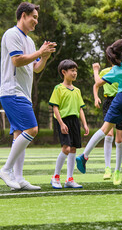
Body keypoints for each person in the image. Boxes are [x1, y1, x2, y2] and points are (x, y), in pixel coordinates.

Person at [76, 6, 122, 185]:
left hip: (120, 98)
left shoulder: (116, 69)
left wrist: (96, 71)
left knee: (104, 129)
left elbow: (97, 83)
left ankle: (84, 156)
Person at [0, 2, 57, 190]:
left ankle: (19, 178)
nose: (36, 21)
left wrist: (44, 56)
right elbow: (16, 61)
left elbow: (36, 68)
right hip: (12, 91)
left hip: (23, 93)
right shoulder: (11, 34)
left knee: (19, 134)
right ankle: (6, 170)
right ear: (23, 15)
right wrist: (39, 52)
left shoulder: (30, 42)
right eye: (34, 17)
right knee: (32, 129)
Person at [49, 60, 89, 189]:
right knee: (66, 148)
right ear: (64, 72)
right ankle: (55, 177)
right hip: (63, 120)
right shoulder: (58, 88)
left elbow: (80, 109)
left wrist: (85, 124)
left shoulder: (77, 90)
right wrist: (61, 123)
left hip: (74, 121)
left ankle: (69, 179)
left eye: (76, 70)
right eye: (72, 70)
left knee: (73, 149)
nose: (75, 73)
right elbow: (55, 107)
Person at [93, 65, 122, 185]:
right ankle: (107, 168)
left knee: (119, 138)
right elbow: (96, 84)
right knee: (108, 134)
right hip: (109, 102)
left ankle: (117, 170)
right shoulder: (106, 71)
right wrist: (96, 97)